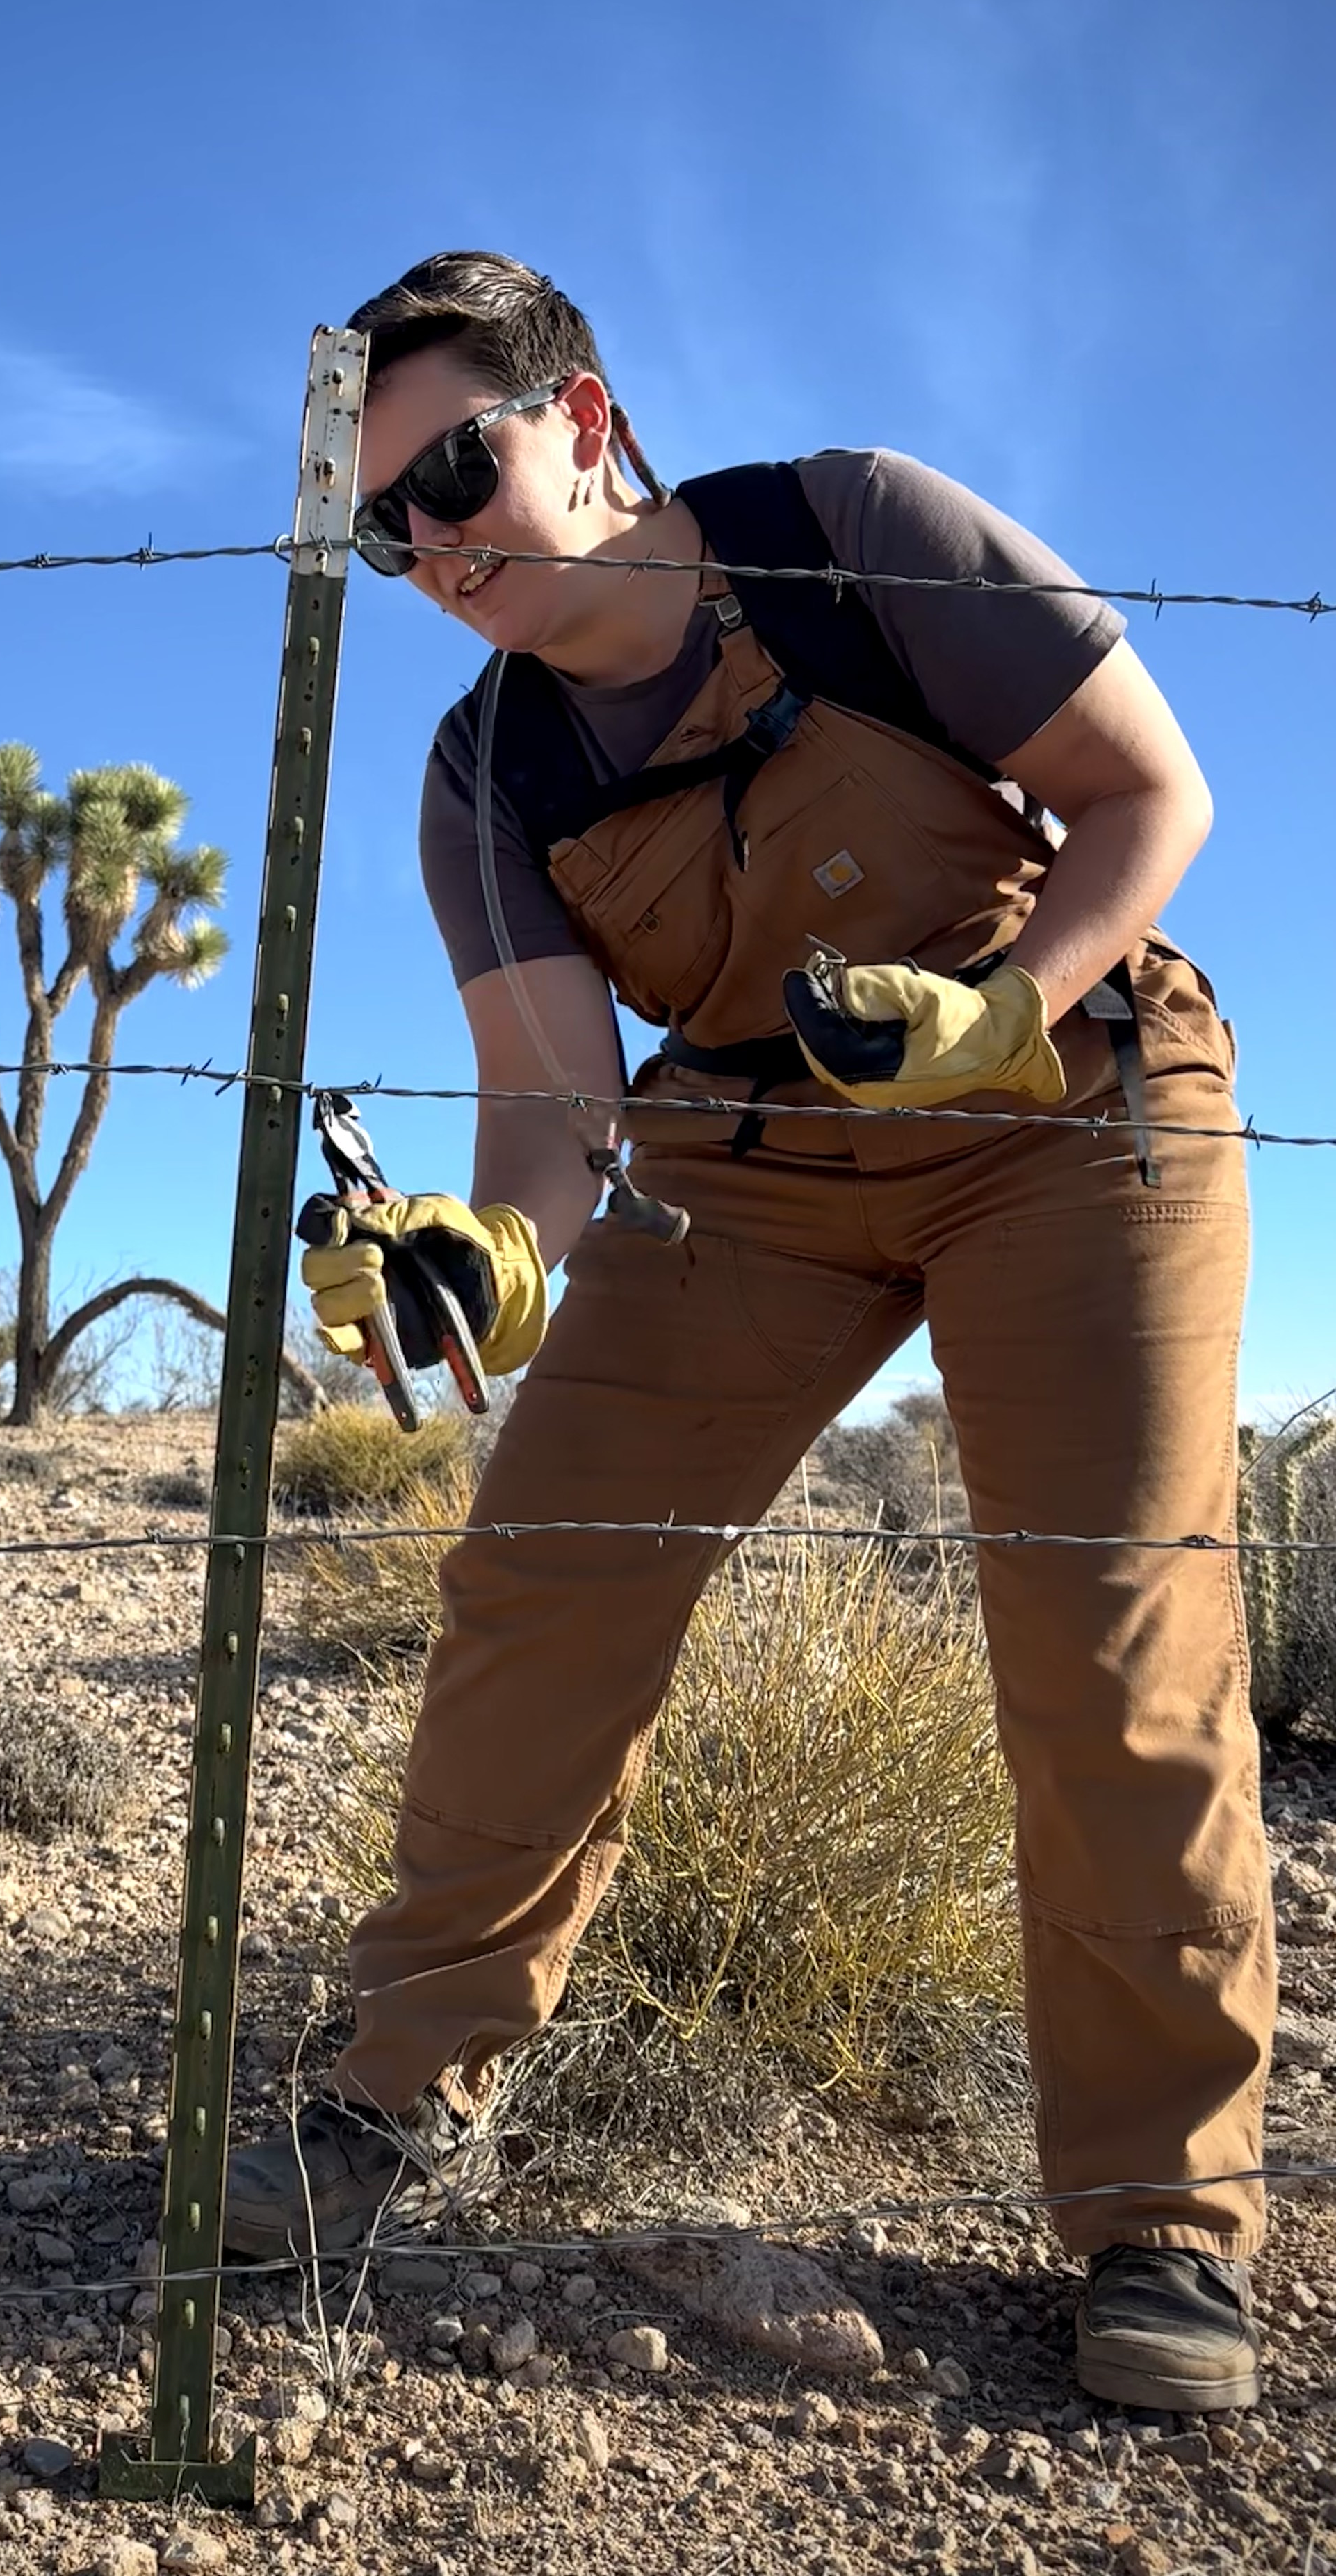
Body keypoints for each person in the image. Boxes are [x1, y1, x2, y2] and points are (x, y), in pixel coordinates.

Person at [221, 252, 1274, 2415]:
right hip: (746, 1159)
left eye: (456, 471)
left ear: (586, 426)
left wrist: (1001, 1012)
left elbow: (1149, 798)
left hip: (1064, 1104)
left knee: (1108, 1627)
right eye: (379, 520)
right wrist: (482, 1267)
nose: (427, 545)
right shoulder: (484, 767)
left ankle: (1164, 2224)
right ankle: (396, 2094)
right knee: (543, 1576)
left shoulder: (862, 532)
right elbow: (548, 1117)